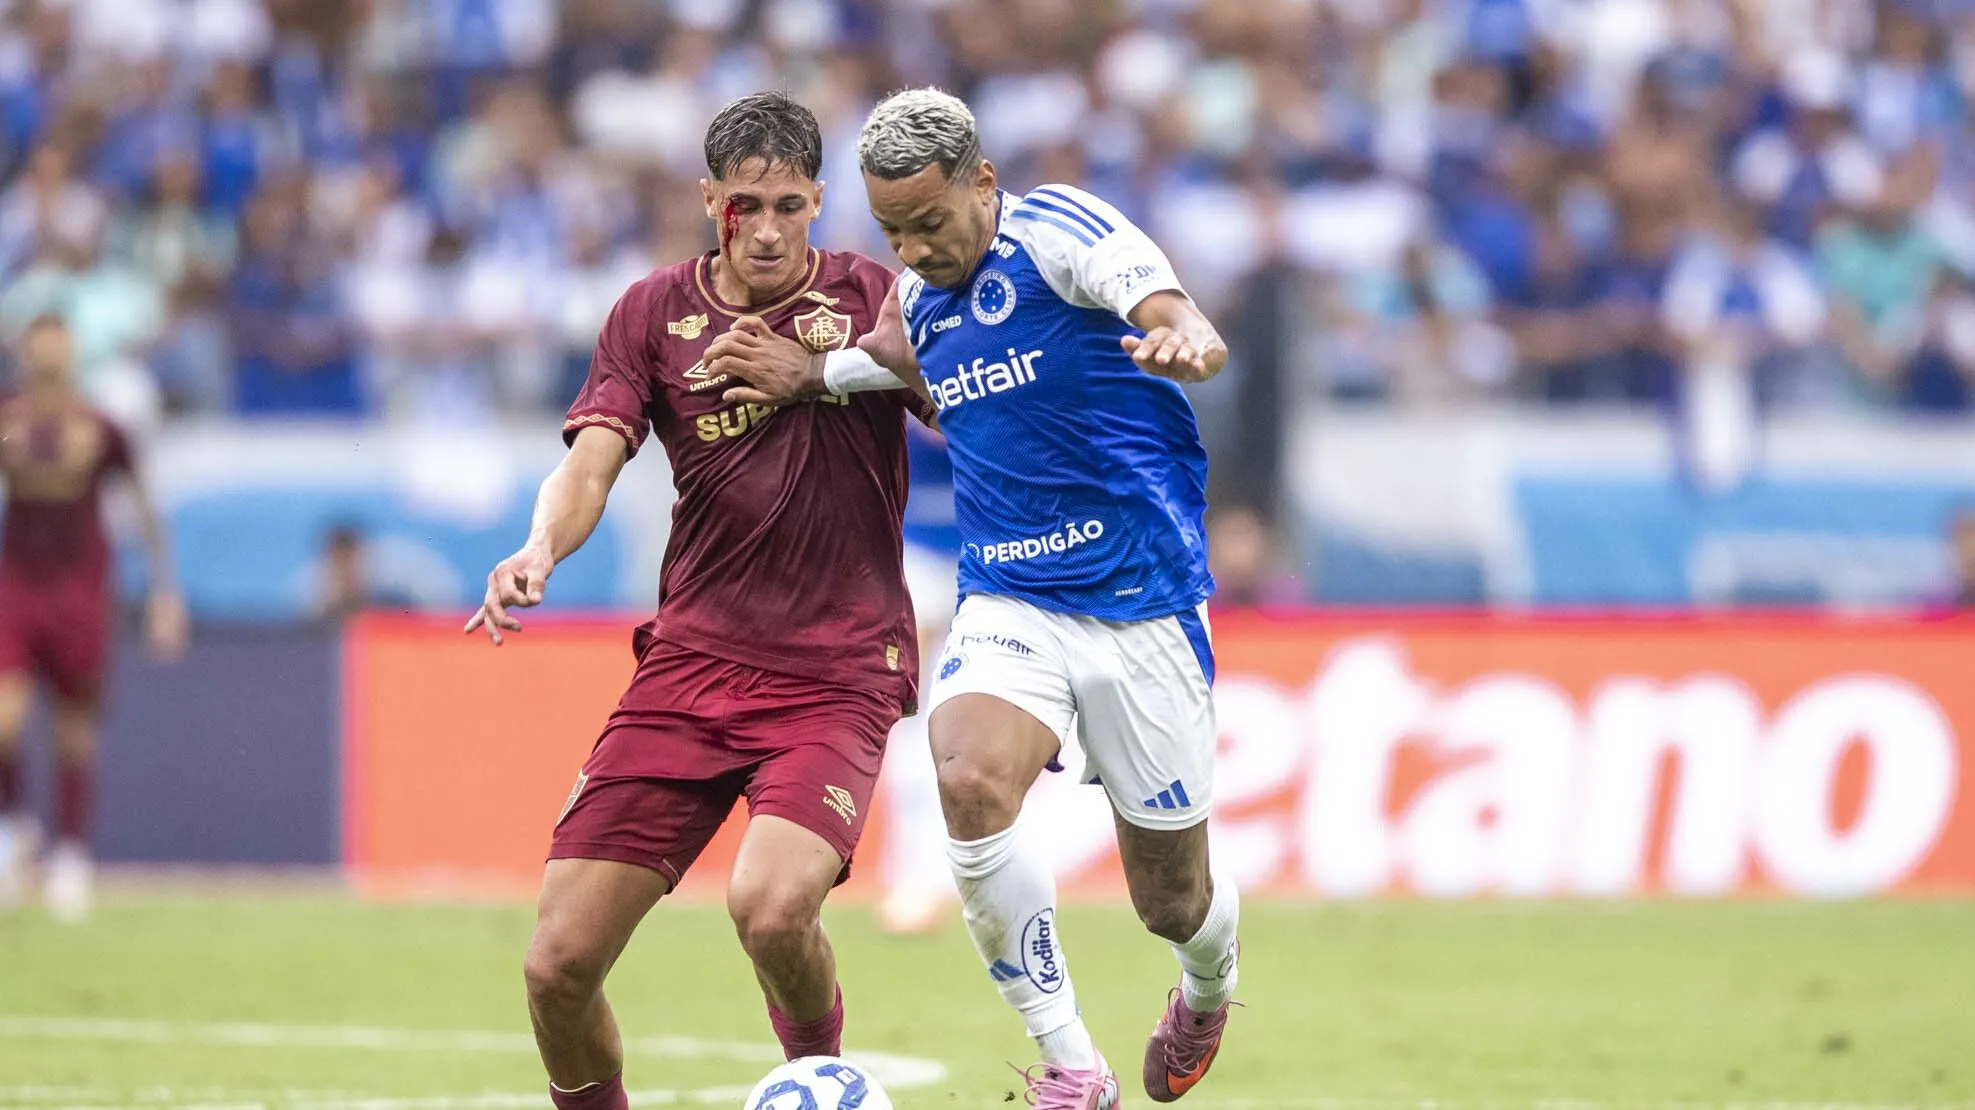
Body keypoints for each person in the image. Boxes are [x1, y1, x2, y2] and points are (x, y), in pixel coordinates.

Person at [717, 88, 1241, 1108]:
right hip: (1009, 594)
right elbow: (894, 358)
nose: (912, 251)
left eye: (930, 223)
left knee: (1170, 902)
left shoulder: (1062, 236)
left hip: (1143, 599)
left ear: (982, 183)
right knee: (964, 781)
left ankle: (1208, 989)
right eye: (892, 232)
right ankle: (1072, 1066)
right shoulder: (915, 293)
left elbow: (1170, 310)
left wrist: (1189, 342)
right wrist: (812, 374)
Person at [463, 92, 935, 1110]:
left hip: (838, 668)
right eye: (744, 207)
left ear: (818, 200)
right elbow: (591, 465)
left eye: (787, 206)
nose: (766, 230)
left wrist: (817, 374)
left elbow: (965, 408)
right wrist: (539, 546)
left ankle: (817, 1076)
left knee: (770, 911)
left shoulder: (877, 297)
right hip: (689, 668)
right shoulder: (648, 313)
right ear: (709, 199)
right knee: (557, 967)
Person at [0, 313, 187, 920]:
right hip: (17, 584)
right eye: (38, 348)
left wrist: (164, 591)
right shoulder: (9, 420)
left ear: (73, 354)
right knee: (4, 715)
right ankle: (13, 825)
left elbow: (143, 504)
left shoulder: (101, 428)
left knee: (73, 728)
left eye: (58, 347)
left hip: (81, 587)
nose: (48, 358)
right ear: (24, 353)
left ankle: (72, 855)